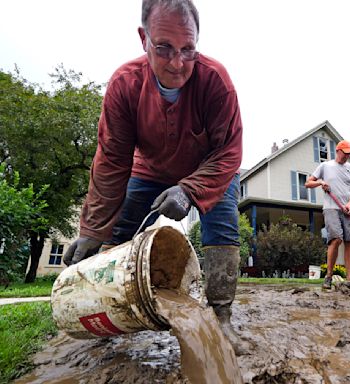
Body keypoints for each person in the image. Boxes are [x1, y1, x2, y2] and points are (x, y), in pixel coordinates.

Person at [63, 0, 248, 354]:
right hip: (148, 169)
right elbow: (112, 161)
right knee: (117, 232)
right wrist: (92, 229)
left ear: (197, 43)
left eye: (188, 50)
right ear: (143, 38)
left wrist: (190, 190)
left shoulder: (216, 82)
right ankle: (110, 310)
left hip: (209, 169)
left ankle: (221, 318)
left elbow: (229, 151)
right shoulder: (125, 84)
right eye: (164, 48)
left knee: (223, 227)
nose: (178, 63)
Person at [305, 140, 350, 289]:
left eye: (349, 153)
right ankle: (328, 276)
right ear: (338, 151)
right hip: (331, 208)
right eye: (345, 153)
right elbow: (308, 183)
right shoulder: (325, 166)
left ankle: (349, 280)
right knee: (336, 239)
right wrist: (321, 183)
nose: (347, 156)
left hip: (348, 209)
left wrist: (349, 204)